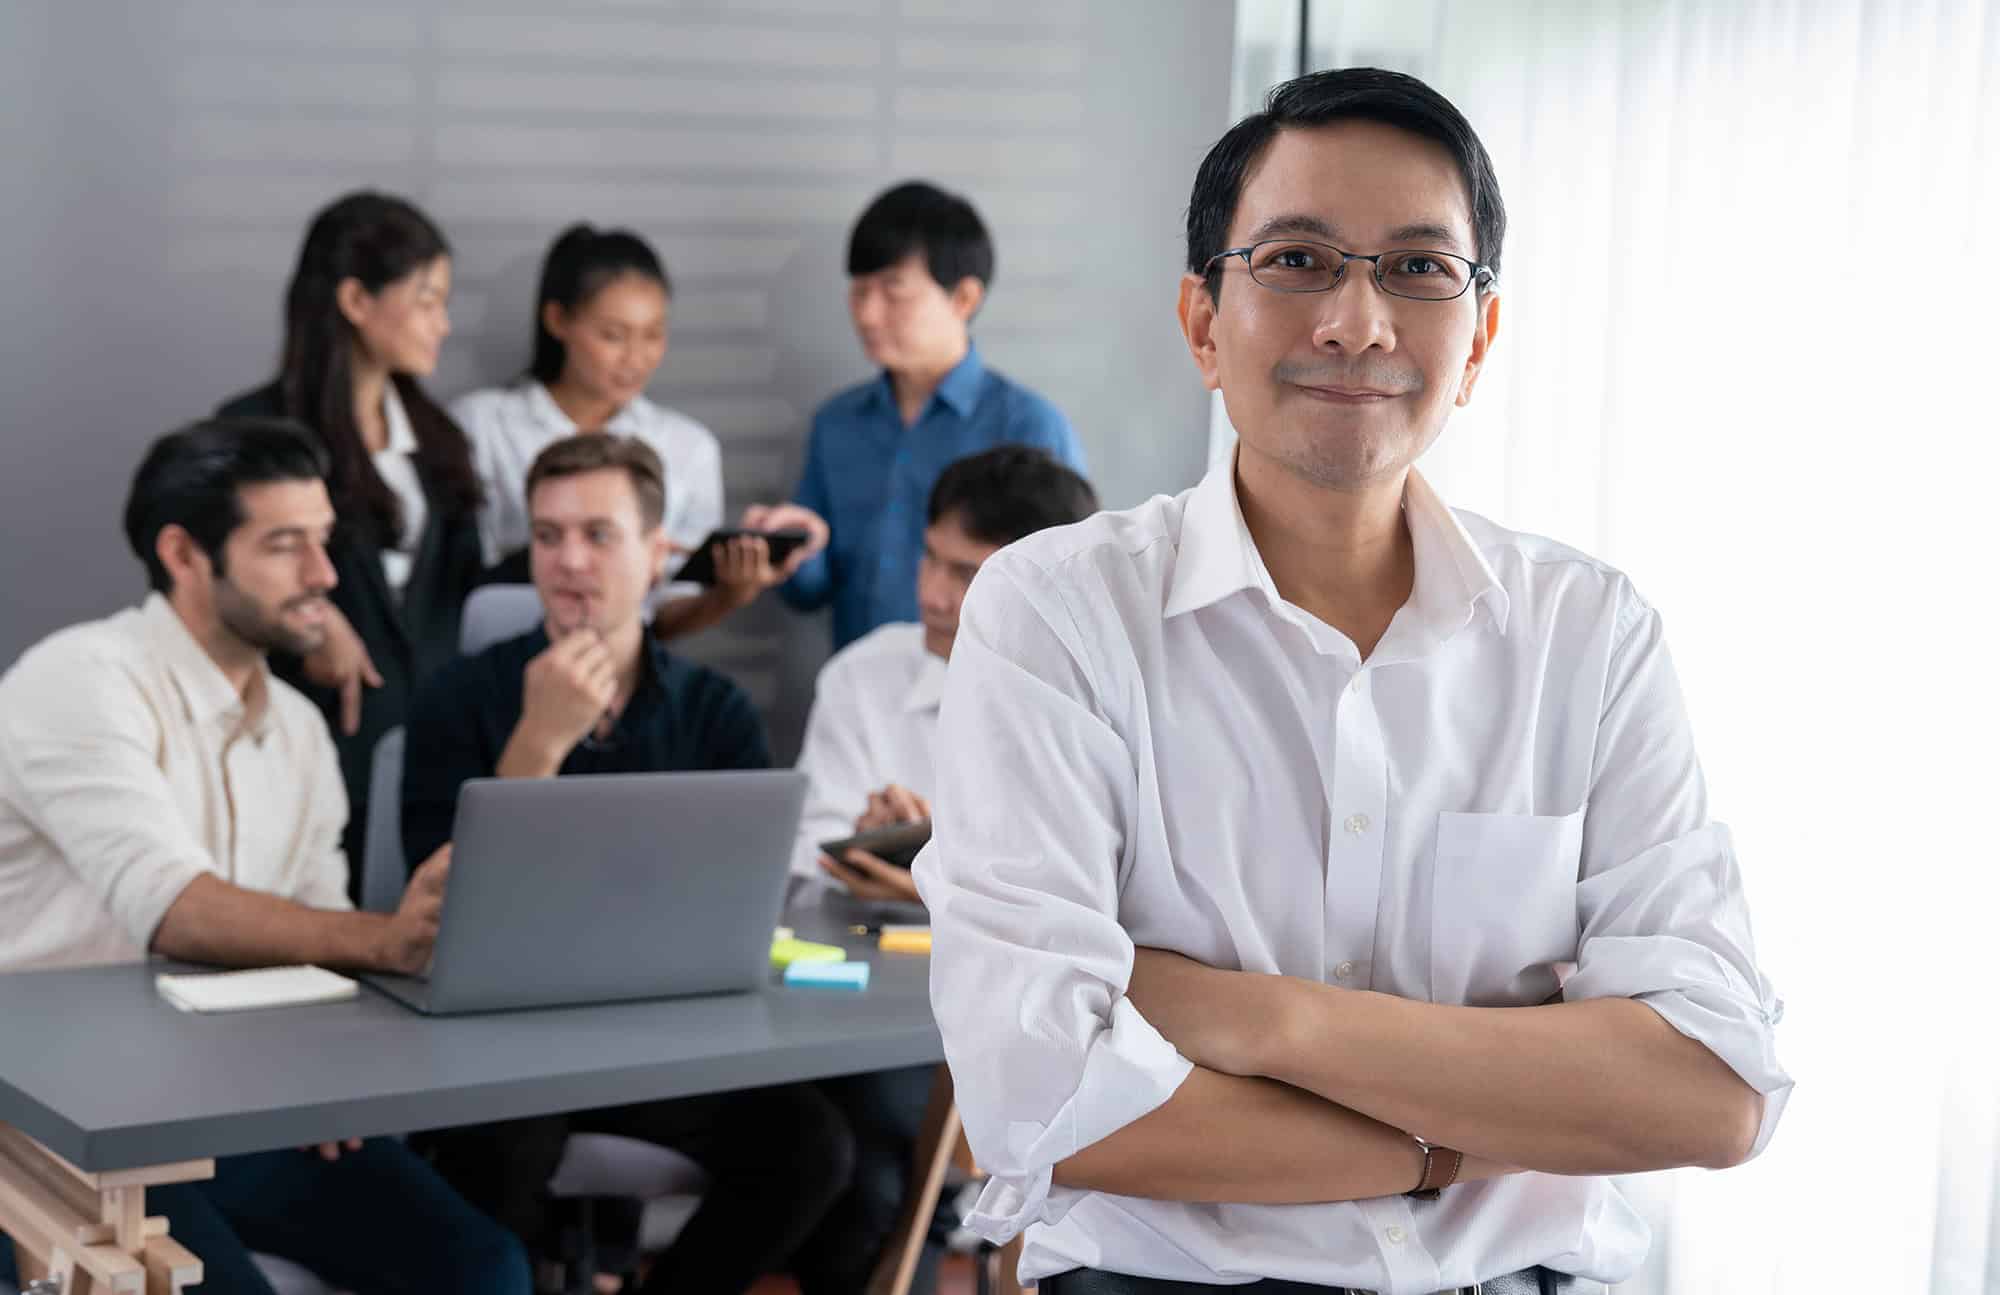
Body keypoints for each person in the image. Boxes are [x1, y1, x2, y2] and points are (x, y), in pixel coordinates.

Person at [915, 68, 1791, 1294]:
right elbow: (1045, 1098)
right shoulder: (1057, 612)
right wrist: (1461, 1139)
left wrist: (1266, 1022)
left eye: (1417, 269)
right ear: (1201, 320)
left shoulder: (1588, 633)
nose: (1357, 323)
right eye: (1297, 260)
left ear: (1477, 335)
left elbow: (1708, 1091)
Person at [0, 419, 528, 1295]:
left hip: (231, 1107)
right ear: (184, 553)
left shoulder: (299, 730)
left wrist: (319, 1076)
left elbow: (314, 947)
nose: (324, 574)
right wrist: (391, 938)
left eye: (324, 540)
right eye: (285, 545)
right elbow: (175, 907)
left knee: (485, 1267)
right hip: (61, 1120)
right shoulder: (79, 680)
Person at [401, 434, 853, 1294]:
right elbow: (433, 909)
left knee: (813, 1149)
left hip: (666, 1038)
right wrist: (539, 739)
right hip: (501, 1044)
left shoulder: (713, 711)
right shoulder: (457, 699)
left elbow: (744, 901)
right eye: (546, 535)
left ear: (657, 554)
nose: (568, 561)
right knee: (492, 1164)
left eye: (598, 535)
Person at [782, 445, 1098, 1295]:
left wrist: (931, 875)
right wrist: (859, 845)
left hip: (1023, 1016)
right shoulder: (865, 676)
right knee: (872, 1164)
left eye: (965, 574)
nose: (931, 591)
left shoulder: (1093, 699)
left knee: (901, 1160)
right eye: (930, 557)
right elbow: (801, 860)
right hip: (861, 1005)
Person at [218, 191, 483, 892]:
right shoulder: (254, 432)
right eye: (426, 300)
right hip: (314, 748)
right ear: (357, 300)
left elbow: (465, 589)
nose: (444, 324)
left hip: (433, 760)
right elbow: (198, 575)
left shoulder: (440, 440)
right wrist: (310, 613)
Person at [745, 181, 1089, 650]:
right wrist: (787, 551)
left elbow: (1063, 592)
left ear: (963, 299)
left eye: (893, 292)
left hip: (985, 690)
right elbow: (811, 593)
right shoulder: (836, 424)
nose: (867, 314)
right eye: (859, 292)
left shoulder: (1028, 426)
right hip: (861, 697)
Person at [451, 223, 795, 638]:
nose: (636, 358)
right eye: (613, 336)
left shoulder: (688, 447)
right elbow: (457, 585)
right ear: (558, 320)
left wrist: (728, 595)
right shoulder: (481, 426)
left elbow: (664, 612)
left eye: (653, 335)